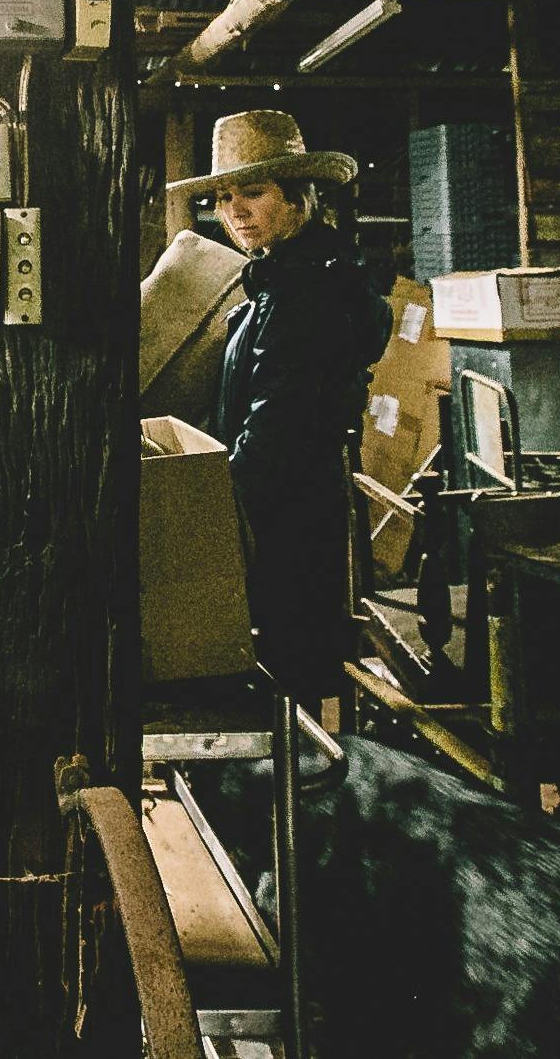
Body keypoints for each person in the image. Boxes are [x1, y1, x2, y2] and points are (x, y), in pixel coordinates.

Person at [170, 110, 389, 698]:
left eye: (253, 192)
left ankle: (297, 784)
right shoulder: (280, 278)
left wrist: (217, 518)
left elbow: (277, 424)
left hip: (288, 516)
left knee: (285, 673)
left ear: (299, 198)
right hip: (286, 507)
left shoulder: (309, 291)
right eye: (222, 197)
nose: (234, 211)